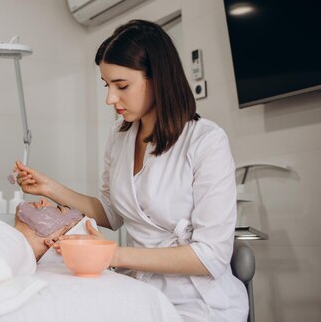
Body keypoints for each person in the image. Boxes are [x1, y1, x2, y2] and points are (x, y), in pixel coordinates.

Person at [13, 19, 248, 322]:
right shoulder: (120, 136)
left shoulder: (205, 141)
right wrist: (50, 188)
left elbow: (210, 256)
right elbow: (112, 213)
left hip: (198, 302)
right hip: (140, 290)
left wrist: (109, 255)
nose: (111, 98)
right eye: (107, 85)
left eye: (122, 86)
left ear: (158, 79)